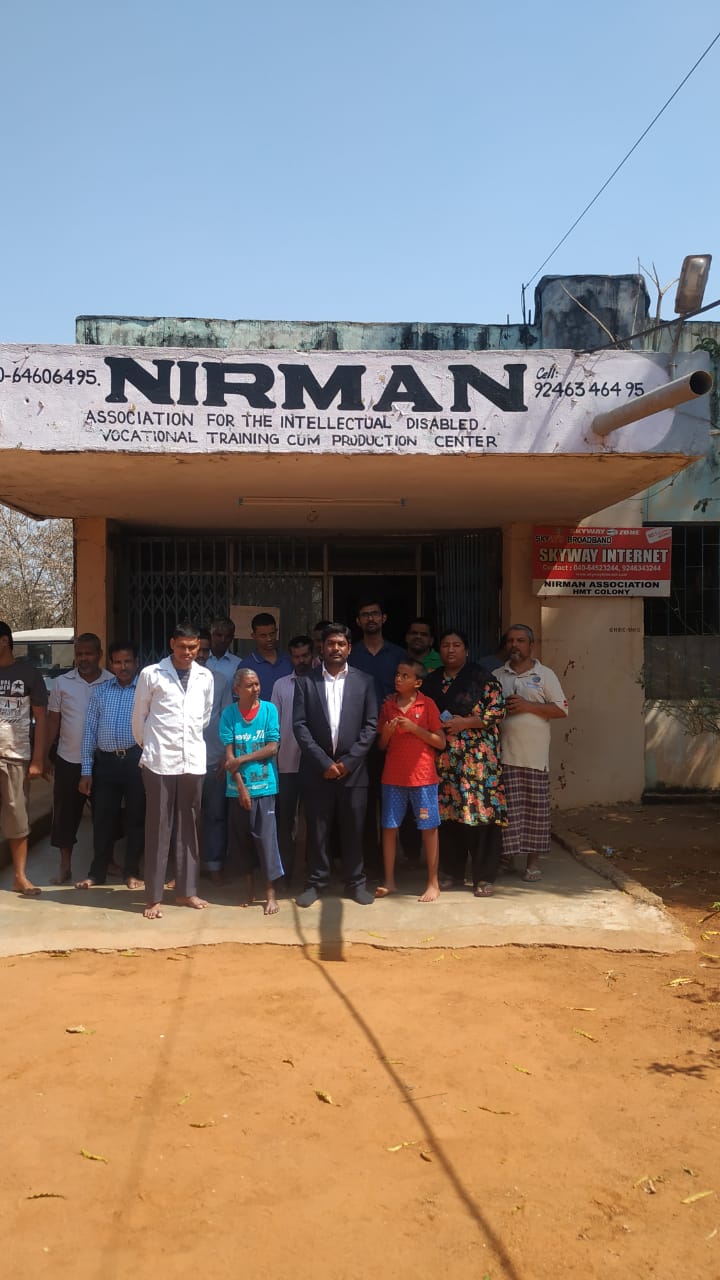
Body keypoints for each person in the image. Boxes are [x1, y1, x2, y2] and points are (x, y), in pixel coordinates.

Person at [131, 622, 214, 920]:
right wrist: (150, 746)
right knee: (158, 826)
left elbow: (205, 716)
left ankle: (186, 890)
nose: (188, 652)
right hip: (159, 761)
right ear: (172, 644)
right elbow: (139, 718)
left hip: (192, 760)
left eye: (193, 647)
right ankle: (153, 897)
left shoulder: (205, 676)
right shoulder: (151, 674)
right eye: (182, 647)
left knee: (190, 826)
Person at [292, 623, 378, 907]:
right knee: (318, 830)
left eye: (341, 644)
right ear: (322, 647)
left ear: (349, 648)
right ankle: (316, 882)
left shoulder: (364, 681)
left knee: (353, 829)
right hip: (317, 771)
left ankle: (356, 882)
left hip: (353, 772)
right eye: (331, 643)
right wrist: (324, 763)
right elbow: (300, 726)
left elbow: (371, 726)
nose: (336, 648)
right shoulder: (306, 682)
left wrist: (348, 762)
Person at [424, 629, 507, 897]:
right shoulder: (431, 682)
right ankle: (452, 872)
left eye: (456, 645)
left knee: (481, 817)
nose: (450, 650)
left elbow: (497, 711)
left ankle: (484, 877)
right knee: (449, 815)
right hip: (445, 761)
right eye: (445, 645)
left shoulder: (482, 678)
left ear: (466, 650)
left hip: (479, 762)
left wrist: (465, 723)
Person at [494, 624, 568, 882]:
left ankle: (533, 864)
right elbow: (486, 711)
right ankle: (506, 859)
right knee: (507, 813)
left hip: (535, 757)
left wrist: (527, 706)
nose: (515, 645)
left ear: (531, 646)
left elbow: (561, 710)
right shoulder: (497, 675)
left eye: (520, 641)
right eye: (511, 641)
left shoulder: (545, 675)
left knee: (535, 812)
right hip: (504, 756)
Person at [75, 641, 145, 890]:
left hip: (137, 761)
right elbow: (89, 732)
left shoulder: (145, 692)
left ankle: (132, 871)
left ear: (136, 662)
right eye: (117, 662)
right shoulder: (101, 691)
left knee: (136, 817)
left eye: (127, 661)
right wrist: (86, 771)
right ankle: (97, 872)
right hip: (105, 763)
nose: (123, 667)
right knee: (103, 819)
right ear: (111, 664)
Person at [45, 633, 113, 884]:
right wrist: (43, 755)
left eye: (89, 653)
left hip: (102, 761)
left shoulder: (111, 681)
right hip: (69, 759)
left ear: (99, 655)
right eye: (79, 654)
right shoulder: (62, 683)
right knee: (66, 815)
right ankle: (65, 865)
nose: (83, 658)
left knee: (106, 814)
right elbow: (53, 721)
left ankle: (108, 861)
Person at [375, 659, 445, 902]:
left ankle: (433, 882)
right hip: (393, 776)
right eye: (397, 674)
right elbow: (381, 746)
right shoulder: (388, 706)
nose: (398, 678)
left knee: (429, 828)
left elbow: (440, 741)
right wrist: (387, 733)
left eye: (405, 676)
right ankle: (389, 881)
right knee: (389, 827)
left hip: (423, 777)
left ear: (418, 683)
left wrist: (414, 728)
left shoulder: (428, 705)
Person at [220, 668, 284, 915]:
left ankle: (270, 893)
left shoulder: (269, 710)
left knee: (266, 840)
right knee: (242, 840)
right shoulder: (229, 715)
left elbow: (272, 747)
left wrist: (242, 759)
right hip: (236, 789)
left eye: (257, 684)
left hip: (265, 787)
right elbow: (229, 757)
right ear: (237, 690)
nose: (255, 689)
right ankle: (249, 889)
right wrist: (241, 787)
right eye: (249, 685)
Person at [348, 599, 405, 870]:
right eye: (364, 615)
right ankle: (369, 863)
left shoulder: (399, 655)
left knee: (392, 800)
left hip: (394, 739)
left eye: (374, 614)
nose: (370, 618)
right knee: (364, 802)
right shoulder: (351, 655)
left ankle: (395, 861)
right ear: (358, 622)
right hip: (360, 739)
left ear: (384, 618)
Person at [0, 620, 47, 896]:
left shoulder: (28, 673)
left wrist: (38, 759)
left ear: (4, 641)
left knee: (18, 819)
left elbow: (41, 719)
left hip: (16, 755)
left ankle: (19, 877)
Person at [270, 634, 313, 886]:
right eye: (296, 657)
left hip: (315, 765)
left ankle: (311, 873)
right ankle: (283, 873)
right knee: (284, 821)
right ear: (291, 658)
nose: (301, 661)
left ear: (312, 655)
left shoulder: (321, 682)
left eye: (305, 655)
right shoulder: (281, 685)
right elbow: (274, 726)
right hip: (286, 764)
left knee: (314, 822)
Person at [196, 629, 232, 883]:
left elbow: (228, 718)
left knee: (216, 815)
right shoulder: (171, 680)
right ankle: (186, 868)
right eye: (197, 649)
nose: (201, 654)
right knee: (185, 817)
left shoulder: (219, 680)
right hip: (184, 762)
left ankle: (214, 864)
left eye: (205, 650)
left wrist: (226, 755)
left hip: (214, 759)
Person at [242, 612, 293, 700]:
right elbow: (241, 700)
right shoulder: (246, 666)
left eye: (272, 634)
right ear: (253, 636)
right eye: (263, 636)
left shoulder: (289, 661)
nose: (269, 639)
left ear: (276, 632)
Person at [206, 616, 241, 684]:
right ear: (211, 635)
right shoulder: (199, 659)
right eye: (219, 635)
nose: (223, 640)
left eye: (228, 636)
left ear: (232, 638)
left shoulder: (238, 664)